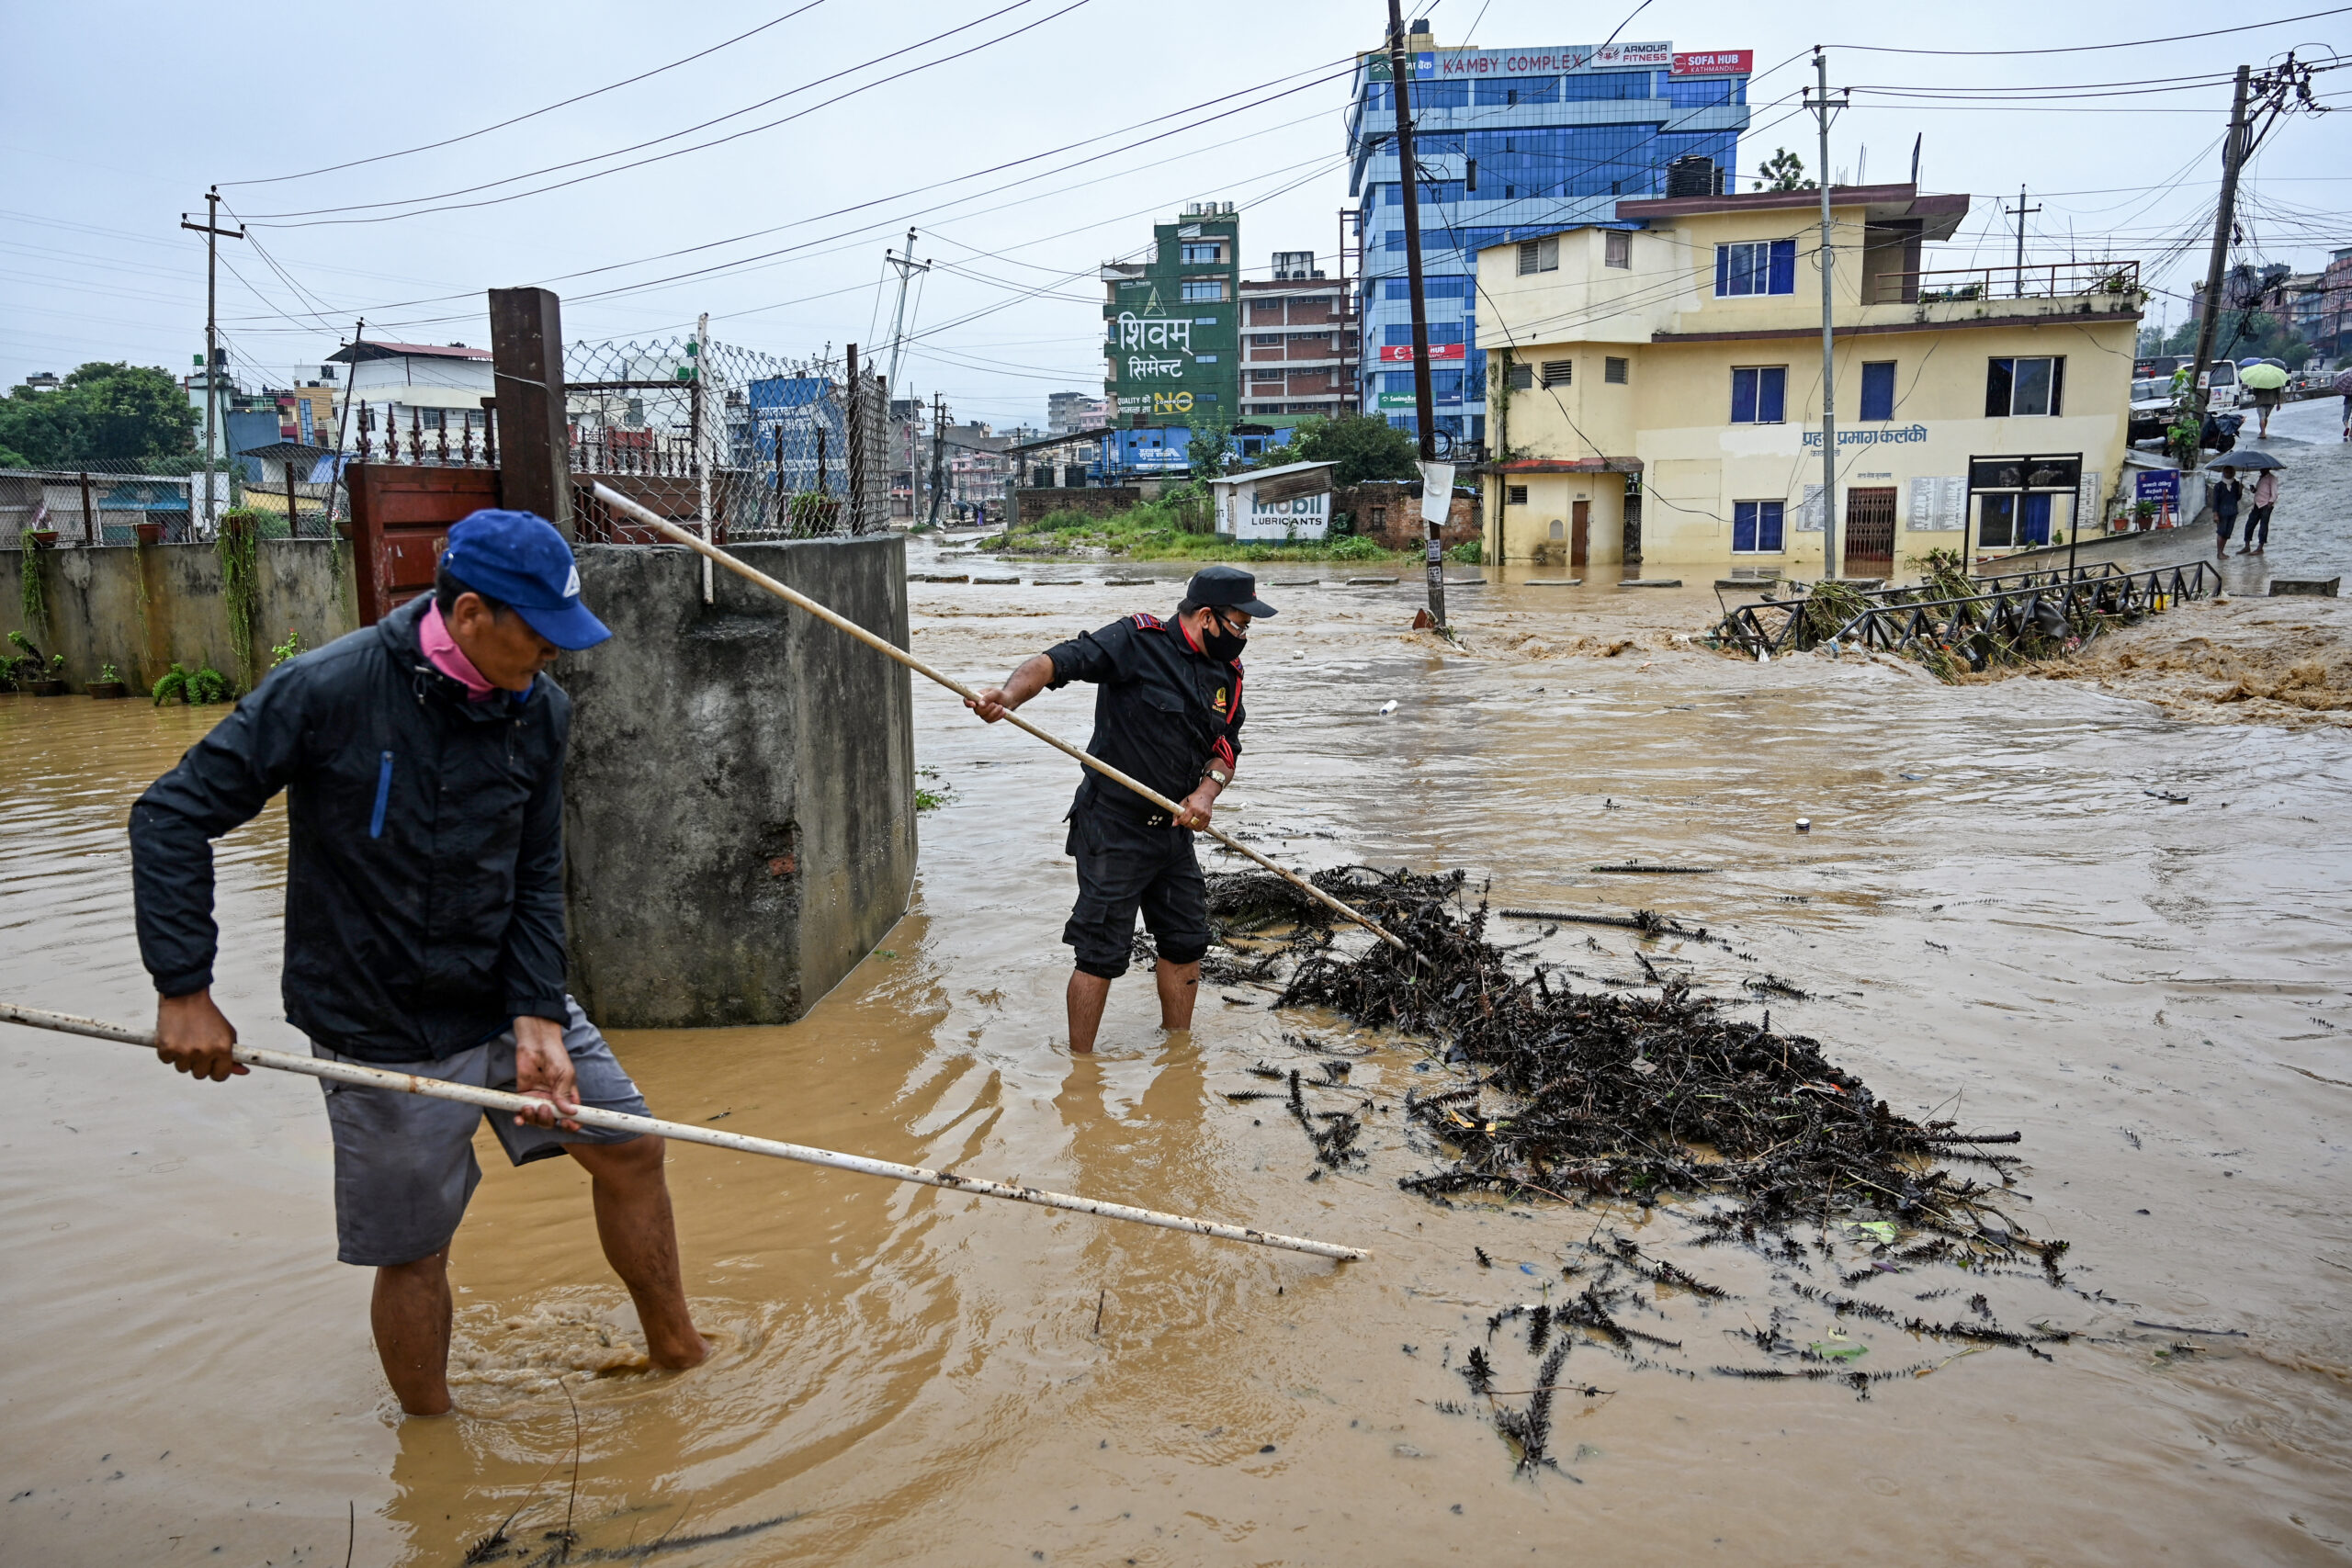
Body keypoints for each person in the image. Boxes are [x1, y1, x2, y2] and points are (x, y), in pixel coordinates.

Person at [130, 510, 707, 1416]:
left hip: (499, 994)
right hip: (376, 1022)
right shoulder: (328, 690)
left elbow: (533, 871)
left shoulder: (538, 711)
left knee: (631, 1146)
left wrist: (537, 1016)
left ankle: (680, 1357)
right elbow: (170, 816)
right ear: (471, 614)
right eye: (539, 638)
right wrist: (184, 988)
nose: (553, 659)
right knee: (416, 1247)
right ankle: (432, 1442)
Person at [965, 565, 1273, 1054]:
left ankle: (1178, 1053)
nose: (1244, 634)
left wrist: (1205, 794)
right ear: (1208, 617)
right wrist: (1008, 697)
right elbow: (1055, 663)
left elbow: (1226, 748)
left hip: (1172, 834)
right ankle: (1079, 1068)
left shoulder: (1228, 676)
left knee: (1186, 941)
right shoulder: (1136, 640)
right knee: (1100, 952)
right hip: (1111, 827)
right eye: (1240, 623)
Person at [2242, 467, 2278, 556]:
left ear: (2268, 468)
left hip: (2266, 505)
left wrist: (2270, 503)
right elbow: (2259, 491)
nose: (2261, 470)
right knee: (2250, 524)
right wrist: (2254, 490)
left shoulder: (2272, 478)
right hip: (2257, 504)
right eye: (2261, 468)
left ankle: (2260, 547)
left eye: (2263, 468)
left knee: (2263, 526)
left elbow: (2274, 493)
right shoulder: (2261, 478)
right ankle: (2247, 546)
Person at [2210, 468, 2243, 558]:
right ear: (2223, 473)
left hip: (2233, 512)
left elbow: (2237, 498)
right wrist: (2215, 514)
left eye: (2231, 472)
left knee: (2227, 533)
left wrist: (2240, 491)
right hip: (2222, 513)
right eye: (2227, 472)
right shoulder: (2218, 486)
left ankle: (2222, 552)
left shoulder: (2236, 485)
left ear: (2234, 473)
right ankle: (2219, 553)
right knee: (2221, 532)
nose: (2229, 474)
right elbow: (2215, 501)